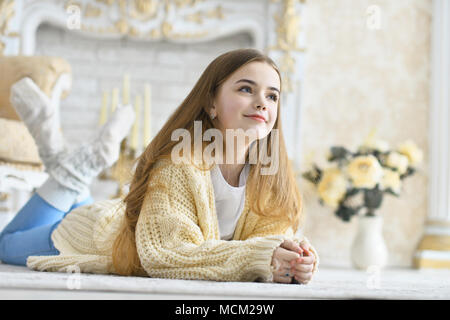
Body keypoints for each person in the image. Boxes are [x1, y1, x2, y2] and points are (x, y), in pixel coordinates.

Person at [0, 48, 318, 285]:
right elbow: (166, 255)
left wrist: (290, 258)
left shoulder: (270, 174)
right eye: (246, 89)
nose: (262, 102)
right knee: (6, 244)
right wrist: (263, 255)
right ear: (211, 104)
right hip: (95, 234)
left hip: (120, 216)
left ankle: (67, 163)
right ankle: (74, 173)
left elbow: (268, 242)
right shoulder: (179, 163)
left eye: (272, 95)